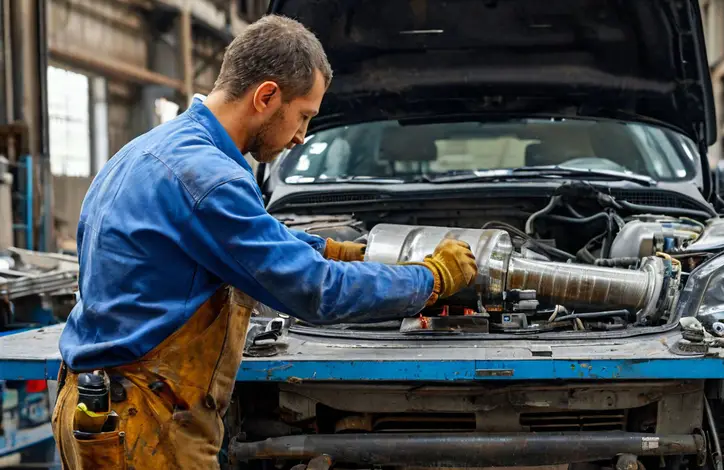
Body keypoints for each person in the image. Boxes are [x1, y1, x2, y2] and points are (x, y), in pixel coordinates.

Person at [51, 14, 478, 469]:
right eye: (304, 116)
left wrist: (340, 249)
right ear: (267, 96)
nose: (301, 136)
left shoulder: (151, 150)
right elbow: (315, 291)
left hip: (97, 404)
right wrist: (430, 278)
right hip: (148, 425)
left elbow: (243, 243)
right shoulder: (209, 178)